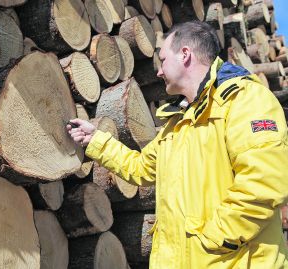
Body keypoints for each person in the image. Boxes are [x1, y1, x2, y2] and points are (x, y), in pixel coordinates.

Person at [67, 21, 288, 268]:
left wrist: (213, 240)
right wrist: (95, 139)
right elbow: (140, 167)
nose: (159, 71)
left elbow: (264, 183)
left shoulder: (245, 99)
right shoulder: (177, 123)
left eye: (163, 60)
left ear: (185, 55)